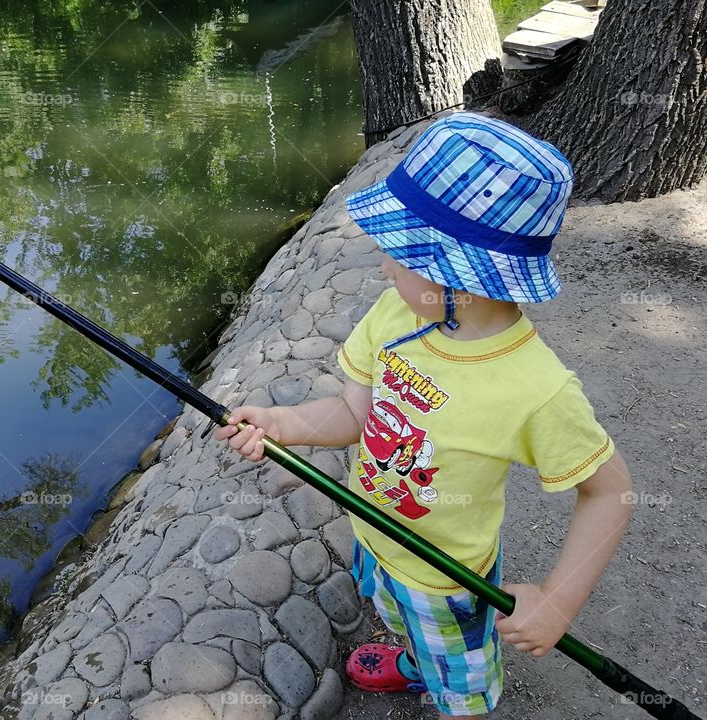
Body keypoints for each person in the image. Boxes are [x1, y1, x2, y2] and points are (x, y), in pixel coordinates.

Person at [214, 113, 633, 718]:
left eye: (402, 255)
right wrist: (283, 427)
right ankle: (415, 663)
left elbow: (609, 491)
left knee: (460, 685)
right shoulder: (395, 314)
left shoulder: (535, 389)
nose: (386, 268)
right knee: (394, 614)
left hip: (448, 578)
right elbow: (354, 414)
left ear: (460, 276)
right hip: (375, 536)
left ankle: (449, 688)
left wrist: (557, 603)